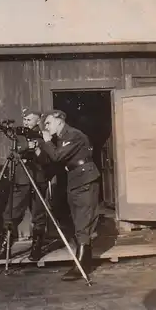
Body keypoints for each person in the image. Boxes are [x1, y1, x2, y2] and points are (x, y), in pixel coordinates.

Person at [36, 109, 100, 281]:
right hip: (76, 180)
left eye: (48, 123)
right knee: (78, 223)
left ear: (59, 120)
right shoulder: (62, 138)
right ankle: (84, 263)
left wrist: (47, 142)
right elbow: (51, 160)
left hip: (84, 181)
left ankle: (81, 267)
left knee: (82, 224)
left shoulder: (73, 135)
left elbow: (57, 156)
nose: (46, 127)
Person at [0, 108, 51, 262]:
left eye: (29, 119)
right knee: (10, 214)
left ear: (38, 120)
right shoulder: (19, 135)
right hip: (21, 179)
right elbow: (16, 151)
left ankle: (36, 248)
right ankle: (5, 249)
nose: (25, 122)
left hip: (38, 179)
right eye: (24, 119)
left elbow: (48, 159)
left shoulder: (45, 136)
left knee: (38, 215)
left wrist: (37, 147)